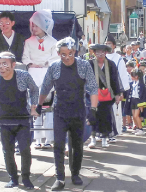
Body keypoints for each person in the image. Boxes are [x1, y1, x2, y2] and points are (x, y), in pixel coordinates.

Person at [37, 37, 98, 191]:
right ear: (58, 54)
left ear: (74, 52)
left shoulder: (84, 66)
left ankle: (75, 173)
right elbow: (45, 87)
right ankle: (59, 177)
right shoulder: (54, 67)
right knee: (58, 145)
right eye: (63, 54)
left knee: (77, 145)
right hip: (60, 110)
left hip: (78, 109)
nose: (67, 57)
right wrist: (39, 104)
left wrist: (93, 110)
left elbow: (92, 88)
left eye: (70, 53)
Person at [0, 51, 39, 190]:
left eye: (5, 64)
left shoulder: (23, 76)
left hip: (22, 118)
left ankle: (26, 177)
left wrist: (33, 107)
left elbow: (34, 90)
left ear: (13, 65)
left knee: (25, 150)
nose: (1, 67)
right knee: (8, 151)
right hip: (4, 119)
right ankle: (13, 178)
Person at [22, 10, 59, 149]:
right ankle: (37, 138)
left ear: (43, 26)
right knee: (34, 105)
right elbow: (25, 58)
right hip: (32, 73)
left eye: (36, 26)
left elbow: (55, 58)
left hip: (47, 73)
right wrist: (31, 64)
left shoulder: (54, 42)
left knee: (48, 107)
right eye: (32, 25)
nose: (33, 28)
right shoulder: (28, 42)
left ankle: (49, 137)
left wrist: (45, 63)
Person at [87, 44, 120, 149]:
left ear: (106, 53)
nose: (100, 54)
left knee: (106, 116)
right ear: (94, 53)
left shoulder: (111, 64)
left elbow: (115, 80)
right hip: (93, 95)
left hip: (107, 95)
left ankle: (105, 138)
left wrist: (118, 94)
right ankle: (93, 139)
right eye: (97, 52)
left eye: (102, 52)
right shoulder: (90, 64)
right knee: (93, 116)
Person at [105, 34, 130, 137]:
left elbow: (122, 75)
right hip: (102, 89)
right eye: (106, 44)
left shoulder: (119, 58)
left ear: (114, 45)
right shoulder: (102, 57)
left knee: (115, 112)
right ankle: (103, 134)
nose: (108, 45)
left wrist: (121, 92)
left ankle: (113, 133)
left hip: (114, 89)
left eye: (109, 44)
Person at [124, 68, 146, 136]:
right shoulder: (132, 83)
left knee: (137, 115)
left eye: (132, 75)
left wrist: (142, 104)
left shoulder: (142, 85)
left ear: (136, 76)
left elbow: (144, 95)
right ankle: (137, 127)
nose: (131, 77)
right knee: (133, 116)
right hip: (132, 100)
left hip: (139, 101)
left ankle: (141, 129)